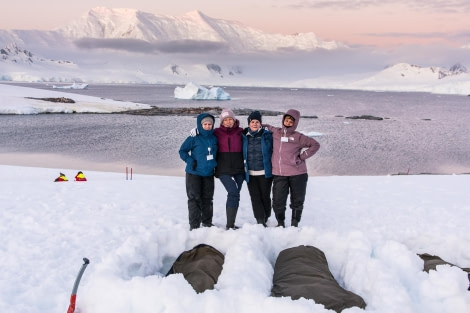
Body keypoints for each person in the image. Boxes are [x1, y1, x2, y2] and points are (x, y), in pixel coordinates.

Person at [264, 109, 320, 227]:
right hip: (279, 173)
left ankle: (294, 224)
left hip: (297, 174)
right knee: (278, 201)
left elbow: (315, 145)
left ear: (295, 123)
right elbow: (267, 126)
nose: (288, 122)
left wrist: (302, 156)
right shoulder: (276, 132)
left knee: (297, 201)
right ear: (283, 119)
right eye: (286, 119)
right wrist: (256, 125)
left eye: (291, 121)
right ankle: (280, 223)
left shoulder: (298, 137)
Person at [179, 113, 218, 230]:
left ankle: (207, 222)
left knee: (208, 199)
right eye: (205, 124)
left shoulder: (214, 137)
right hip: (194, 173)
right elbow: (182, 151)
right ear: (200, 125)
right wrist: (190, 161)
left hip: (209, 174)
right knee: (194, 199)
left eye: (209, 124)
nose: (207, 126)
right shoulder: (193, 137)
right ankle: (194, 225)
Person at [213, 108, 245, 230]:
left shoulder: (241, 132)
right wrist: (195, 130)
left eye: (230, 119)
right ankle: (230, 225)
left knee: (235, 195)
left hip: (239, 169)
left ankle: (231, 223)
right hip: (223, 169)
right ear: (222, 121)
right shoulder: (216, 132)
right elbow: (204, 133)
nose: (228, 122)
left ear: (234, 120)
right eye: (225, 120)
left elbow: (255, 133)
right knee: (233, 192)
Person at [242, 111, 273, 227]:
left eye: (257, 122)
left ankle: (266, 216)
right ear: (249, 123)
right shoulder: (244, 136)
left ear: (261, 123)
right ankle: (260, 220)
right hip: (250, 173)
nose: (255, 124)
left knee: (265, 196)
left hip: (265, 172)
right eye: (252, 122)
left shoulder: (267, 135)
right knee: (255, 197)